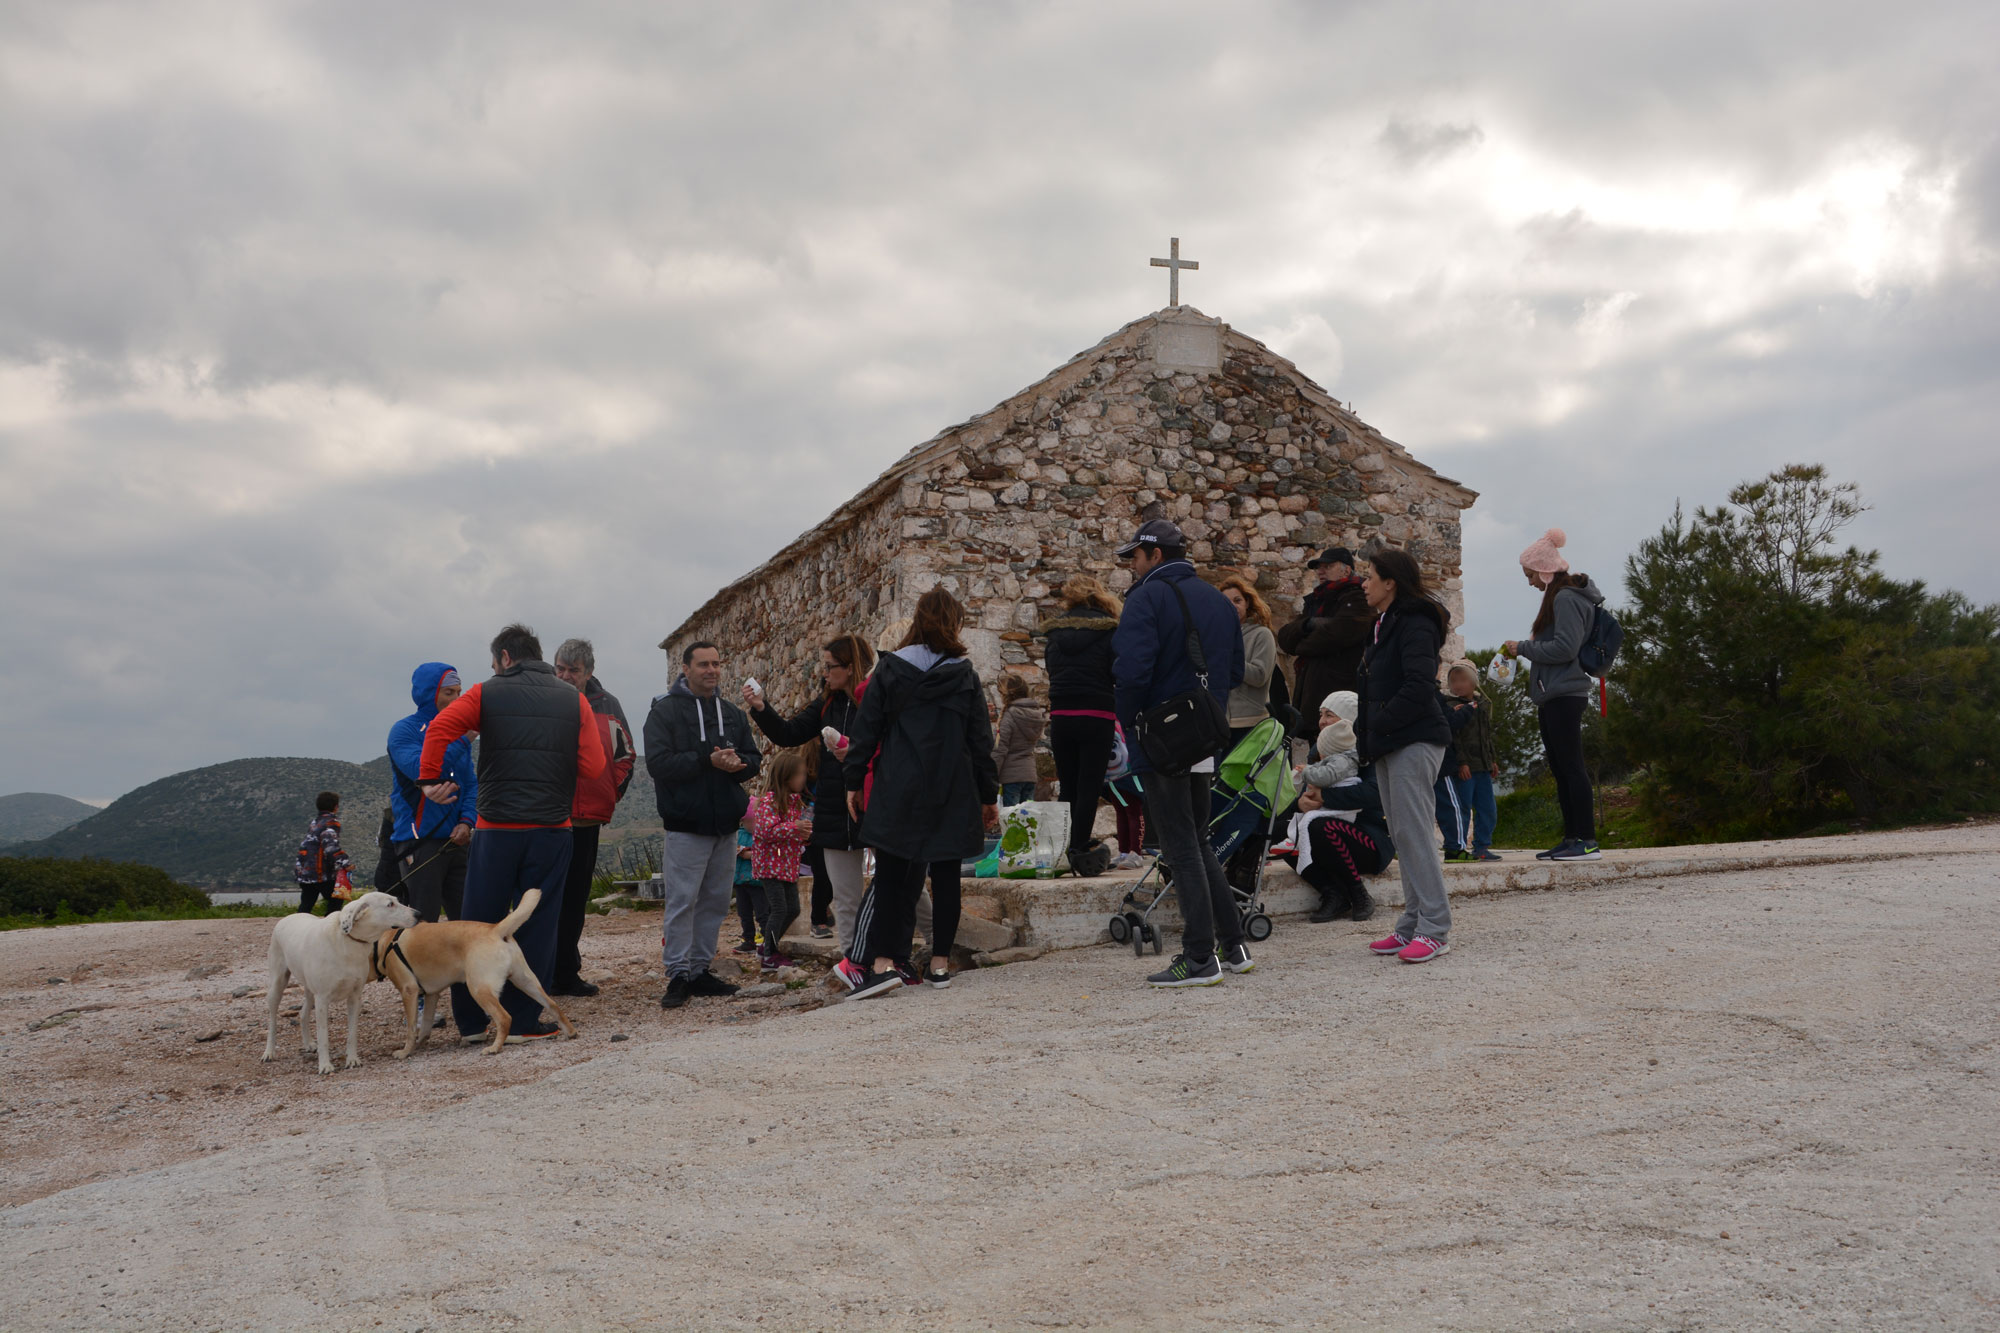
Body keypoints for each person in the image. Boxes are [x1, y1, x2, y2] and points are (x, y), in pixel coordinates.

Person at [418, 624, 607, 1042]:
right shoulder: (574, 699)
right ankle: (522, 1022)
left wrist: (430, 779)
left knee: (475, 923)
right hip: (551, 828)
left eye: (493, 663)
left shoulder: (486, 693)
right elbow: (594, 767)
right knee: (538, 924)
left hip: (496, 827)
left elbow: (439, 729)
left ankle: (472, 1023)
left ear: (505, 657)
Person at [840, 588, 999, 999]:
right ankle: (940, 963)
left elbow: (865, 730)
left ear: (917, 620)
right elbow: (980, 742)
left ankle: (882, 964)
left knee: (891, 879)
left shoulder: (890, 670)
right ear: (955, 624)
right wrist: (988, 795)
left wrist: (853, 782)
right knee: (946, 878)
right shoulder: (964, 675)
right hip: (952, 786)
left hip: (900, 784)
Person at [1111, 518, 1248, 988]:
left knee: (1179, 846)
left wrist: (1128, 722)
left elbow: (1132, 671)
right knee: (1198, 840)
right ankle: (1234, 947)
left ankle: (1199, 958)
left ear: (1155, 555)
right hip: (1205, 730)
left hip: (1161, 734)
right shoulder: (1218, 599)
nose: (1132, 565)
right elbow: (1235, 670)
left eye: (1135, 556)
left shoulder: (1146, 597)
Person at [646, 640, 763, 1009]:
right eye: (703, 664)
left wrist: (737, 765)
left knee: (714, 901)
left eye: (716, 663)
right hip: (686, 824)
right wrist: (706, 761)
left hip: (725, 825)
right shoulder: (665, 712)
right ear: (686, 669)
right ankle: (678, 974)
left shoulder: (732, 714)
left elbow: (754, 759)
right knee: (682, 902)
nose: (711, 670)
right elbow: (658, 763)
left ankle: (699, 970)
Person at [743, 634, 876, 958]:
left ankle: (930, 941)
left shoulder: (877, 701)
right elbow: (788, 733)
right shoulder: (826, 704)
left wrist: (856, 752)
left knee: (902, 886)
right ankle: (854, 961)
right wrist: (760, 707)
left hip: (874, 804)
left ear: (850, 667)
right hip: (834, 811)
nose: (824, 674)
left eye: (830, 667)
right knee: (844, 897)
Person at [1354, 548, 1455, 964]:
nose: (1363, 584)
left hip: (1414, 738)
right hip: (1389, 741)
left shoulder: (1415, 622)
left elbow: (1419, 684)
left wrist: (1379, 722)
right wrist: (1370, 731)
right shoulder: (1383, 624)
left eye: (1369, 576)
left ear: (1390, 581)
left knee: (1415, 834)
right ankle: (1412, 923)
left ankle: (1435, 929)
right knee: (1402, 836)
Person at [1504, 529, 1606, 863]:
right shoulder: (1562, 597)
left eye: (1530, 575)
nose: (1530, 582)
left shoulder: (1565, 598)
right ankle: (1572, 838)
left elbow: (1565, 648)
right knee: (1562, 769)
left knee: (1571, 767)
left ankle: (1586, 842)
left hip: (1565, 692)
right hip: (1555, 694)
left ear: (1545, 570)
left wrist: (1523, 648)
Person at [551, 639, 635, 996]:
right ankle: (537, 973)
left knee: (574, 900)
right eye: (560, 669)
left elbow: (625, 756)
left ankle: (566, 974)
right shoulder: (543, 699)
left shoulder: (608, 705)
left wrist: (609, 793)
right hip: (547, 817)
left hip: (586, 820)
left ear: (589, 672)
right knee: (543, 897)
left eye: (574, 670)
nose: (565, 676)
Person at [1040, 573, 1122, 877]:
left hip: (1062, 716)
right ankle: (1078, 849)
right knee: (1089, 787)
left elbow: (1052, 669)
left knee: (1068, 786)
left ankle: (1064, 848)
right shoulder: (1110, 630)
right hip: (1097, 714)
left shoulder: (1055, 633)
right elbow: (1116, 672)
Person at [386, 663, 477, 923]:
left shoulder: (458, 732)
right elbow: (422, 769)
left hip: (457, 839)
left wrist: (467, 821)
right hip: (419, 840)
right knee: (423, 921)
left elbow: (470, 783)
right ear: (429, 694)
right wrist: (463, 740)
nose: (456, 699)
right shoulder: (404, 730)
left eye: (459, 692)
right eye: (449, 692)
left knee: (467, 920)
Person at [1276, 546, 1375, 739]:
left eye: (1328, 566)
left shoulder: (1357, 597)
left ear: (1346, 570)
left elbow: (1338, 634)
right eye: (1318, 567)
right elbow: (1285, 637)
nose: (1320, 572)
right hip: (1314, 694)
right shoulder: (1316, 600)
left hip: (1338, 698)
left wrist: (1301, 644)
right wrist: (1309, 624)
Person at [747, 749, 814, 970]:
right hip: (770, 866)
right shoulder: (769, 802)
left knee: (793, 909)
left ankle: (768, 946)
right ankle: (770, 954)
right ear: (786, 777)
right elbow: (766, 831)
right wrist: (795, 827)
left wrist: (803, 836)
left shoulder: (795, 803)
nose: (804, 779)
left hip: (787, 865)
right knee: (779, 909)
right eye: (800, 774)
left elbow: (788, 833)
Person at [1443, 660, 1501, 861]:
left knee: (1488, 809)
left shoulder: (1482, 705)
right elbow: (1455, 738)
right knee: (1462, 809)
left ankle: (1482, 847)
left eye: (1463, 680)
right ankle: (1458, 847)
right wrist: (1461, 763)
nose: (1458, 685)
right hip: (1465, 768)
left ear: (1474, 682)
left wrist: (1492, 760)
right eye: (1453, 681)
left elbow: (1486, 736)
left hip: (1483, 766)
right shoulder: (1450, 707)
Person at [1218, 573, 1278, 747]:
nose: (1232, 606)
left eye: (1237, 600)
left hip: (1250, 722)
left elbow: (1259, 676)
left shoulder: (1261, 635)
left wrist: (1227, 657)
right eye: (1226, 602)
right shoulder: (1216, 637)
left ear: (1247, 603)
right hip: (1220, 722)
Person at [293, 790, 353, 916]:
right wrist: (345, 863)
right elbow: (330, 846)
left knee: (306, 903)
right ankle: (329, 925)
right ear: (336, 807)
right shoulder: (331, 823)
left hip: (305, 872)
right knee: (336, 900)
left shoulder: (315, 822)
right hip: (321, 872)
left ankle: (296, 924)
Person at [993, 675, 1047, 806]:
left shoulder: (1010, 715)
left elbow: (1000, 749)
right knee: (1027, 817)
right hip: (1030, 775)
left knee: (1011, 817)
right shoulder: (1035, 714)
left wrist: (991, 775)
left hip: (1011, 777)